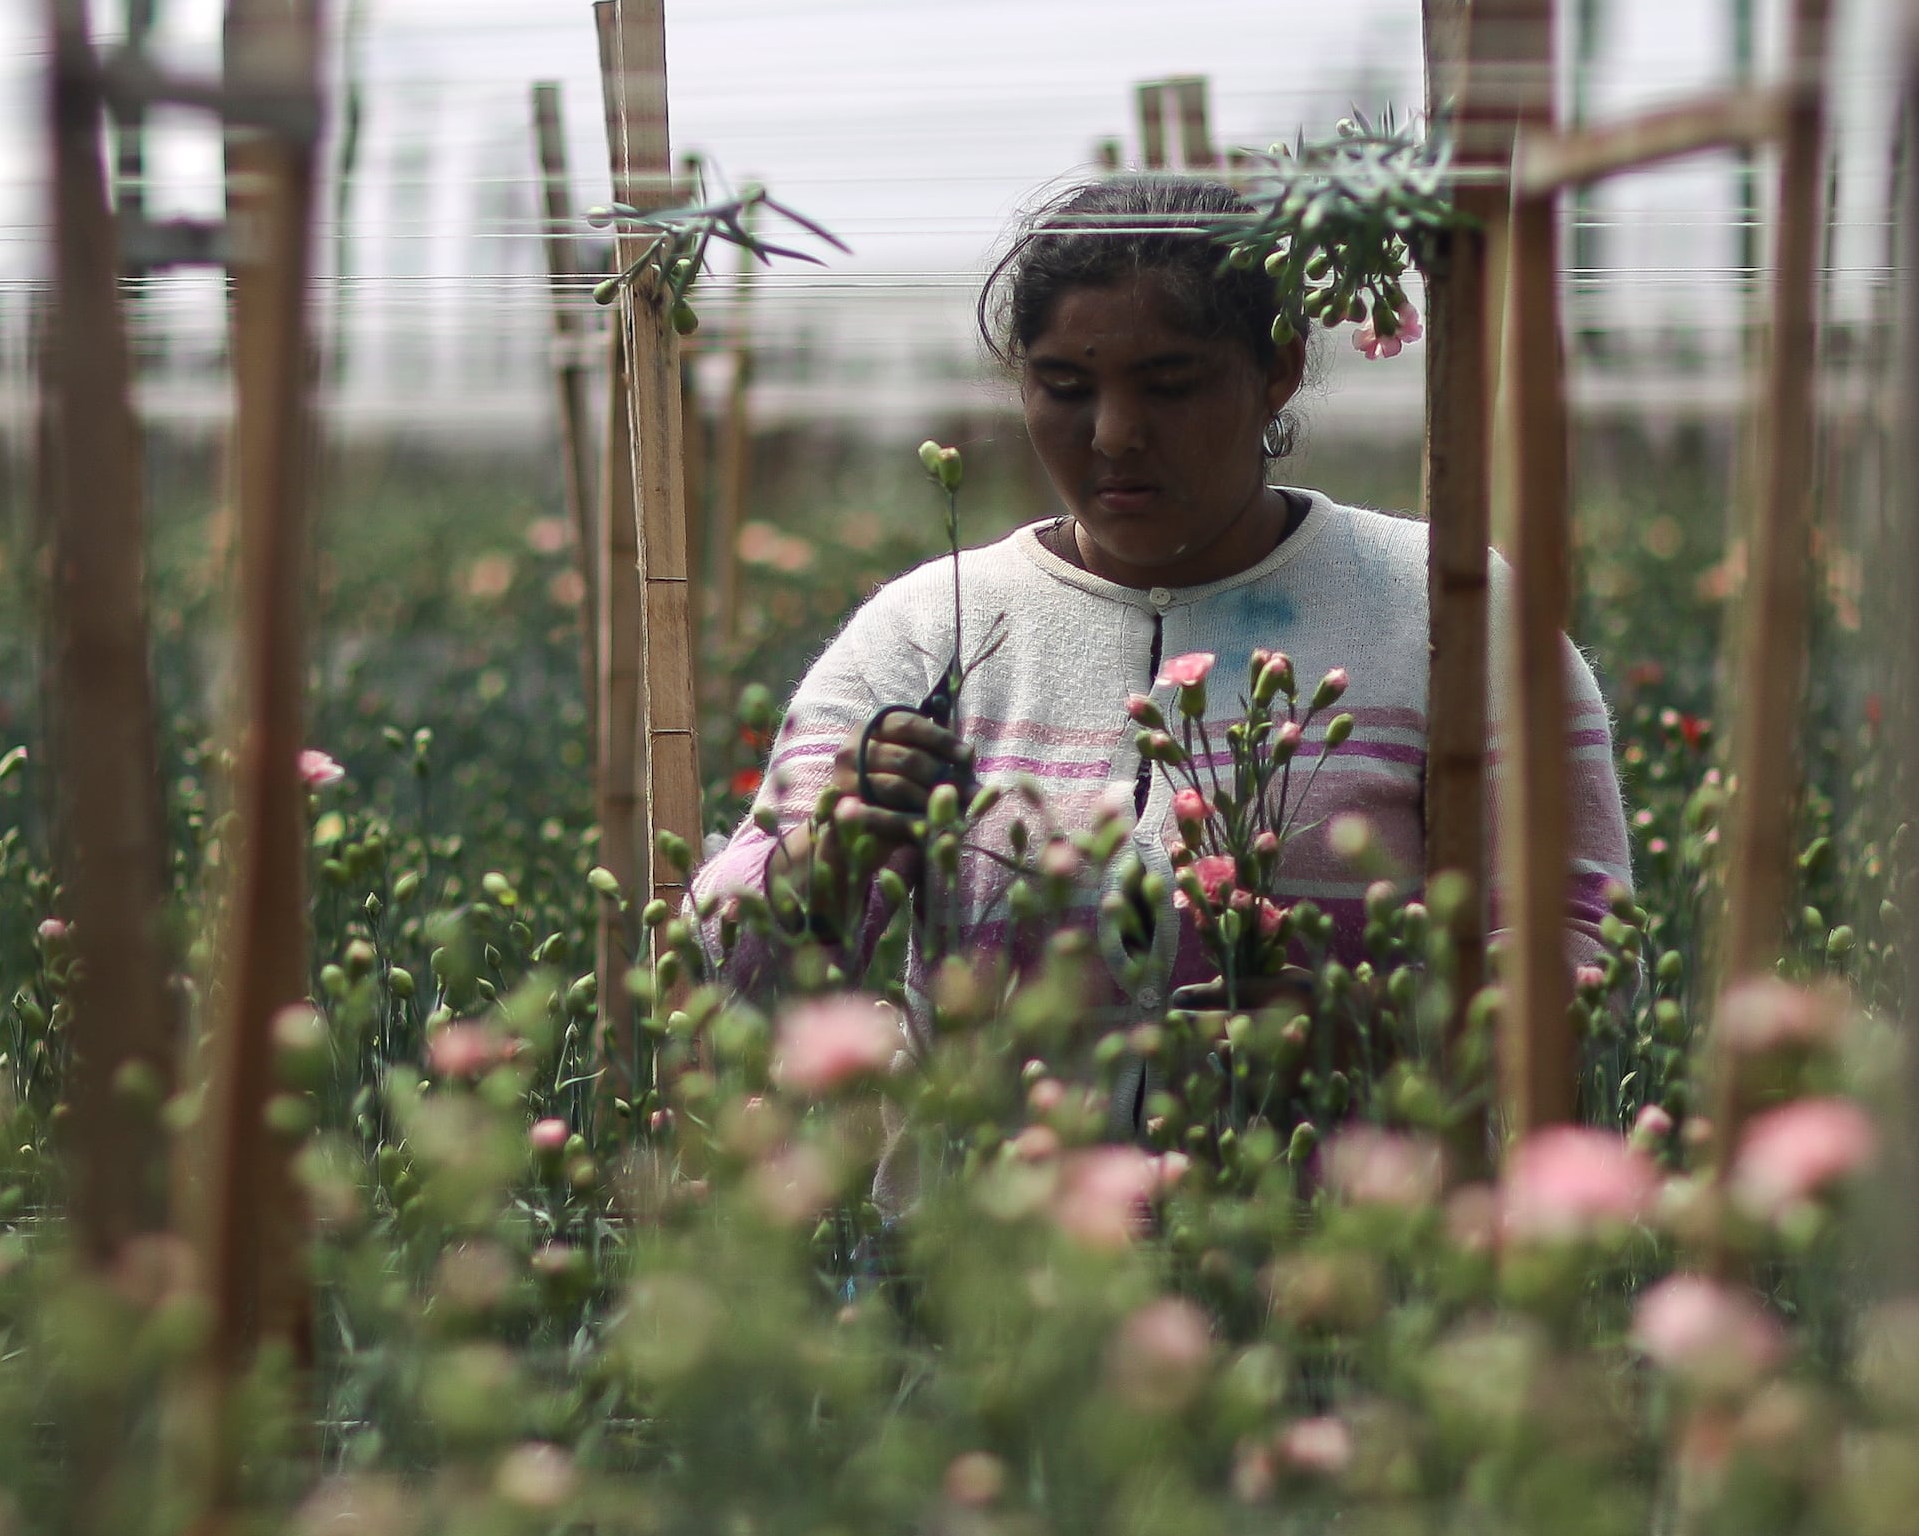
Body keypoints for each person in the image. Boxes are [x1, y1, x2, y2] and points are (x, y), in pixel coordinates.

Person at [687, 172, 1632, 1016]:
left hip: (1343, 1207)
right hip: (978, 1209)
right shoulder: (930, 630)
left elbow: (1586, 948)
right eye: (1064, 386)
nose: (1114, 434)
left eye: (1170, 383)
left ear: (1279, 369)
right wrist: (825, 857)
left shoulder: (1450, 607)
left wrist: (1378, 1037)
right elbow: (724, 977)